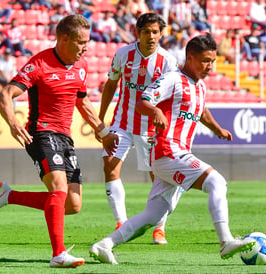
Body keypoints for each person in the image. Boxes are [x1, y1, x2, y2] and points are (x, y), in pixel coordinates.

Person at [89, 34, 256, 264]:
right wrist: (156, 111)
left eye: (213, 61)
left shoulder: (200, 86)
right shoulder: (173, 79)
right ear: (190, 57)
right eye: (205, 60)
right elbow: (142, 102)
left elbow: (201, 110)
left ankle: (103, 245)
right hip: (168, 150)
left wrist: (217, 128)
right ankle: (226, 241)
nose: (210, 66)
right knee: (216, 182)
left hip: (172, 155)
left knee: (152, 216)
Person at [0, 14, 119, 268]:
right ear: (64, 39)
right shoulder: (39, 64)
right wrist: (13, 124)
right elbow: (5, 95)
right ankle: (58, 254)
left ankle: (9, 197)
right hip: (41, 133)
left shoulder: (81, 66)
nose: (86, 47)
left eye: (87, 42)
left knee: (72, 204)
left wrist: (102, 131)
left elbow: (83, 102)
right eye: (81, 42)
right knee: (58, 186)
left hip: (65, 137)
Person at [98, 12, 178, 245]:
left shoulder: (168, 62)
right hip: (122, 122)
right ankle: (122, 222)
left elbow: (171, 97)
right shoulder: (123, 54)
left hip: (150, 129)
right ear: (138, 33)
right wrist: (100, 119)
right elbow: (111, 84)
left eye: (155, 32)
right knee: (109, 166)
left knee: (159, 177)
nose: (151, 36)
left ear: (162, 33)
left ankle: (159, 227)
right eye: (146, 32)